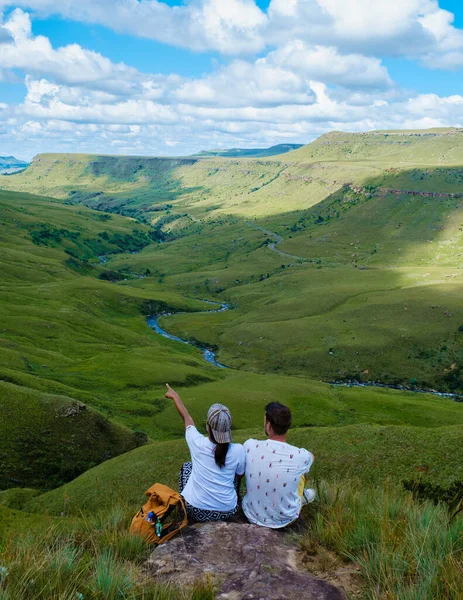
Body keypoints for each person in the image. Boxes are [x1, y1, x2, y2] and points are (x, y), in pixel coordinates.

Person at [165, 383, 245, 522]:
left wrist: (176, 397)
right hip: (227, 510)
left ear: (208, 427)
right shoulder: (238, 450)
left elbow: (187, 419)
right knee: (233, 475)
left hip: (195, 510)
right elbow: (239, 476)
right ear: (228, 429)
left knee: (187, 467)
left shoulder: (197, 442)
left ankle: (183, 510)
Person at [242, 402, 315, 528]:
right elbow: (311, 457)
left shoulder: (249, 445)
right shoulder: (300, 456)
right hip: (285, 519)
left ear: (269, 426)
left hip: (251, 514)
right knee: (302, 472)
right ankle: (301, 497)